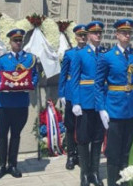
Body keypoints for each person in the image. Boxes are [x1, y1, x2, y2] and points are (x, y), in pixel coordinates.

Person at [95, 18, 133, 186]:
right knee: (114, 152)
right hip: (114, 110)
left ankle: (125, 182)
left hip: (132, 110)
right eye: (123, 32)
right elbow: (98, 84)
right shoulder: (107, 57)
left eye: (129, 32)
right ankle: (112, 182)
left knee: (128, 151)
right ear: (116, 34)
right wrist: (101, 109)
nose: (127, 35)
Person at [0, 28, 39, 180]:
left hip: (20, 103)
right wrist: (0, 86)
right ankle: (1, 165)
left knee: (16, 135)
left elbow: (36, 75)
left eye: (20, 40)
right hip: (4, 104)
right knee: (2, 136)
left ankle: (13, 165)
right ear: (10, 42)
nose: (18, 43)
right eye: (15, 40)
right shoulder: (3, 59)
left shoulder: (29, 58)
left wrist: (31, 83)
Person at [70, 21, 107, 186]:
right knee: (84, 139)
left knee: (98, 138)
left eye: (100, 33)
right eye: (94, 33)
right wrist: (75, 102)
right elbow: (75, 80)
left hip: (100, 104)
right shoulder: (80, 54)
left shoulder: (104, 54)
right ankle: (84, 174)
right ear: (89, 36)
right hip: (84, 102)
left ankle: (95, 173)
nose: (98, 36)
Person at [58, 24, 88, 170]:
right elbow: (63, 75)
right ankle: (71, 155)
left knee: (83, 127)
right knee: (70, 126)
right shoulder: (69, 53)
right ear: (75, 37)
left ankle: (82, 156)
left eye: (84, 35)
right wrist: (61, 93)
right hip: (71, 93)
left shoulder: (90, 53)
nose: (82, 37)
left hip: (85, 95)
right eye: (80, 35)